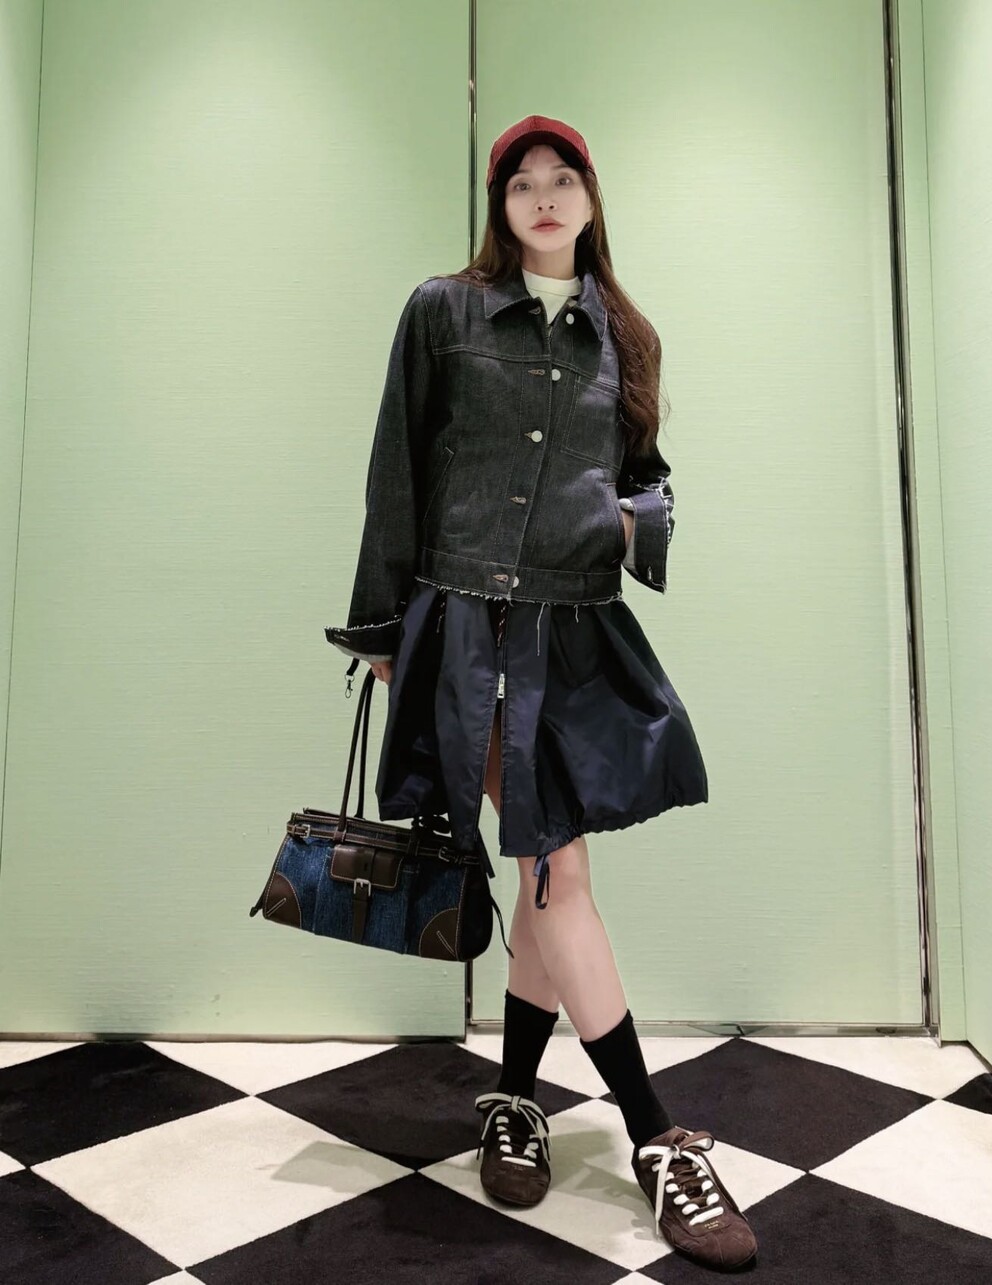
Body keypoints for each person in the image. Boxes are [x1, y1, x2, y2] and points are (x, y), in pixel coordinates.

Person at [325, 115, 757, 1271]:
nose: (545, 197)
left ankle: (514, 1100)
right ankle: (655, 1133)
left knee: (543, 866)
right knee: (555, 866)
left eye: (564, 179)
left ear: (591, 198)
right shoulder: (443, 311)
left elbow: (648, 477)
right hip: (467, 628)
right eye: (523, 183)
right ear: (500, 205)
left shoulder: (626, 334)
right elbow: (394, 468)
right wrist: (381, 626)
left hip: (573, 634)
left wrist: (627, 520)